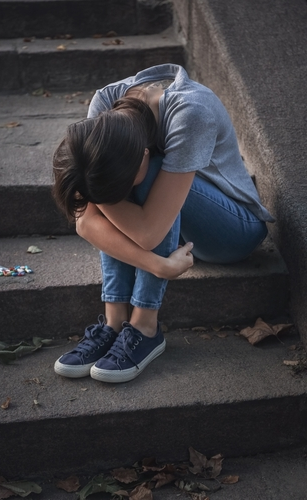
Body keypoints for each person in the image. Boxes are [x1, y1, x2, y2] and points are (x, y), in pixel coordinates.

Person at [52, 63, 274, 384]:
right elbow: (85, 223)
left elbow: (147, 232)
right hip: (171, 225)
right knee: (104, 177)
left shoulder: (191, 114)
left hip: (233, 228)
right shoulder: (105, 106)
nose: (117, 199)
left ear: (141, 153)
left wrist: (111, 208)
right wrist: (159, 265)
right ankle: (114, 324)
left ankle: (145, 326)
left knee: (152, 173)